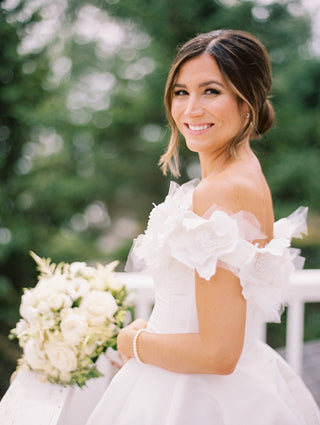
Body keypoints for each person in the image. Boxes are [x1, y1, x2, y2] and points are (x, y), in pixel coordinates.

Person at [86, 29, 320, 425]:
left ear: (247, 101)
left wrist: (133, 341)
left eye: (211, 91)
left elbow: (217, 353)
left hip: (192, 396)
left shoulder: (222, 191)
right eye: (181, 92)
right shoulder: (246, 174)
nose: (190, 109)